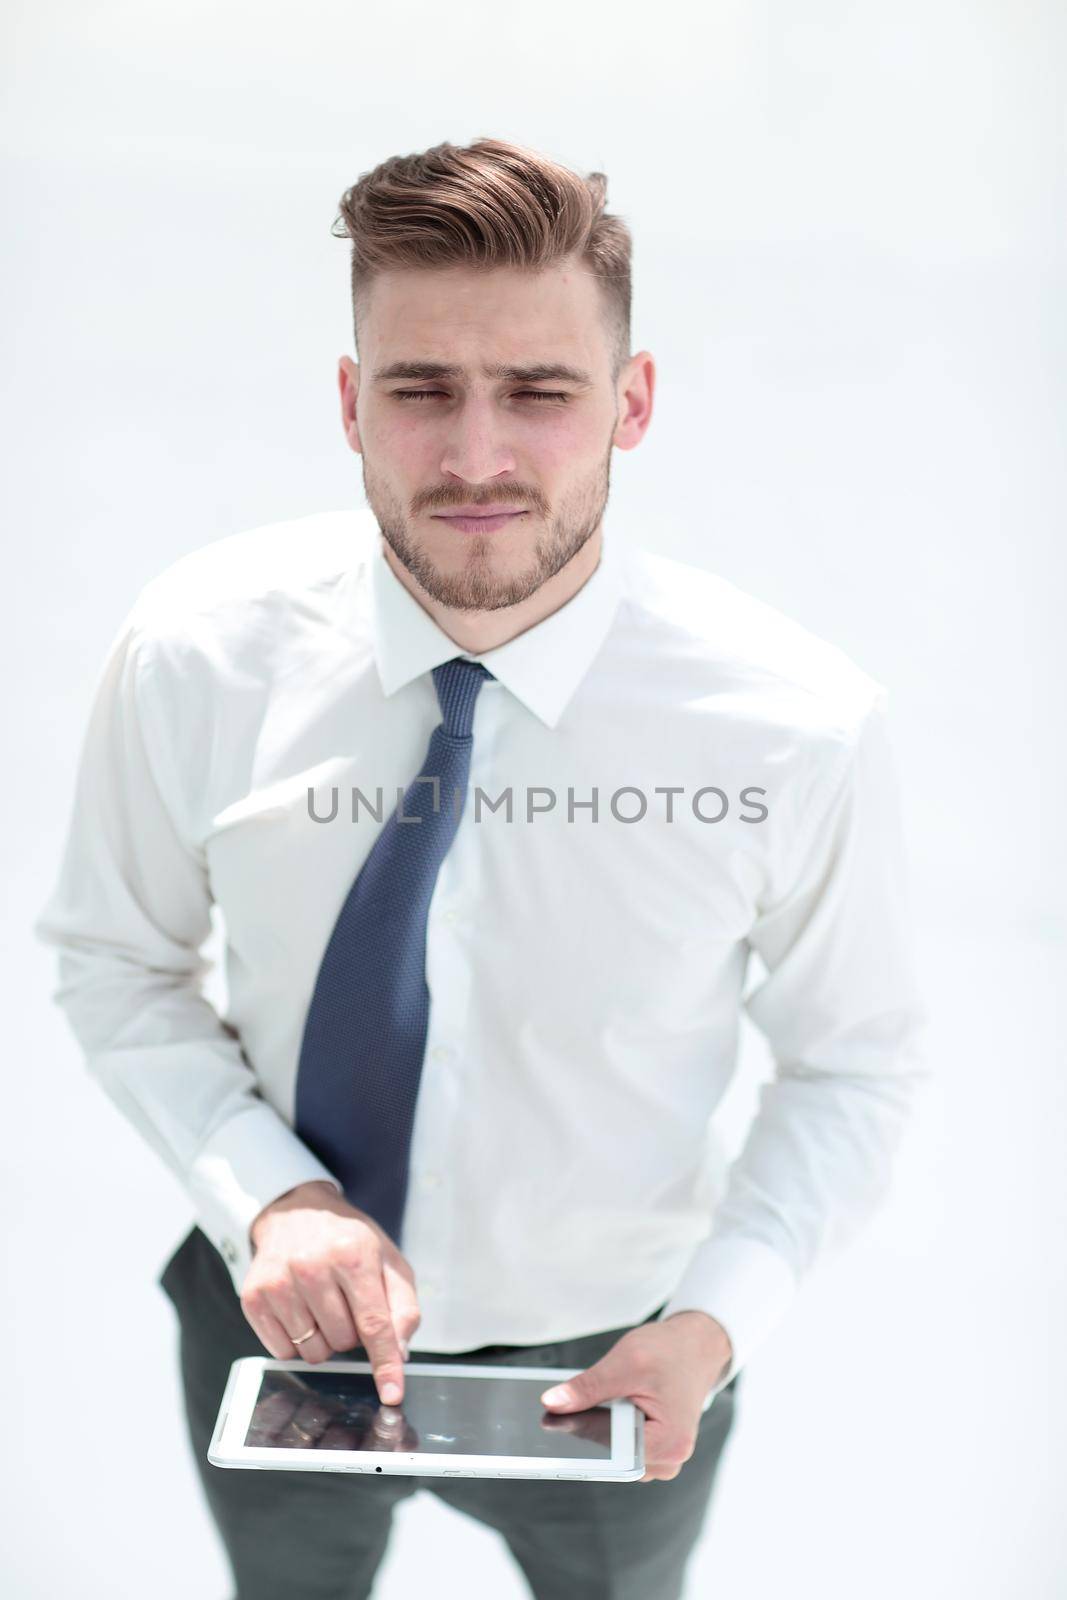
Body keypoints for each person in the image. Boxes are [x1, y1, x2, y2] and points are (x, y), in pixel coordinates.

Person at [34, 135, 929, 1600]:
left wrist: (716, 1322)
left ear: (632, 403)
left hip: (625, 1352)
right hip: (274, 1322)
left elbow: (858, 1064)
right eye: (421, 389)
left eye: (540, 391)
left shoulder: (796, 726)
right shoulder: (197, 655)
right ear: (349, 403)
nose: (474, 456)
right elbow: (115, 961)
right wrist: (273, 1198)